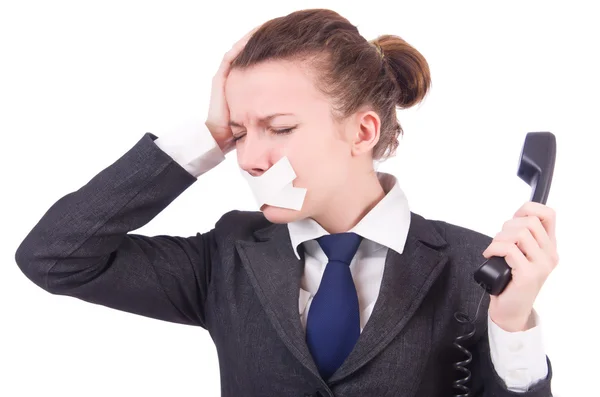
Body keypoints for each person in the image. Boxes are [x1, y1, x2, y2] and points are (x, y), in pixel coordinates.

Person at [14, 8, 557, 397]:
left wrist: (512, 324)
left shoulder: (474, 265)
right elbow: (54, 257)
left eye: (277, 128)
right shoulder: (225, 256)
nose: (249, 158)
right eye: (239, 132)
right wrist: (205, 137)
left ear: (363, 131)